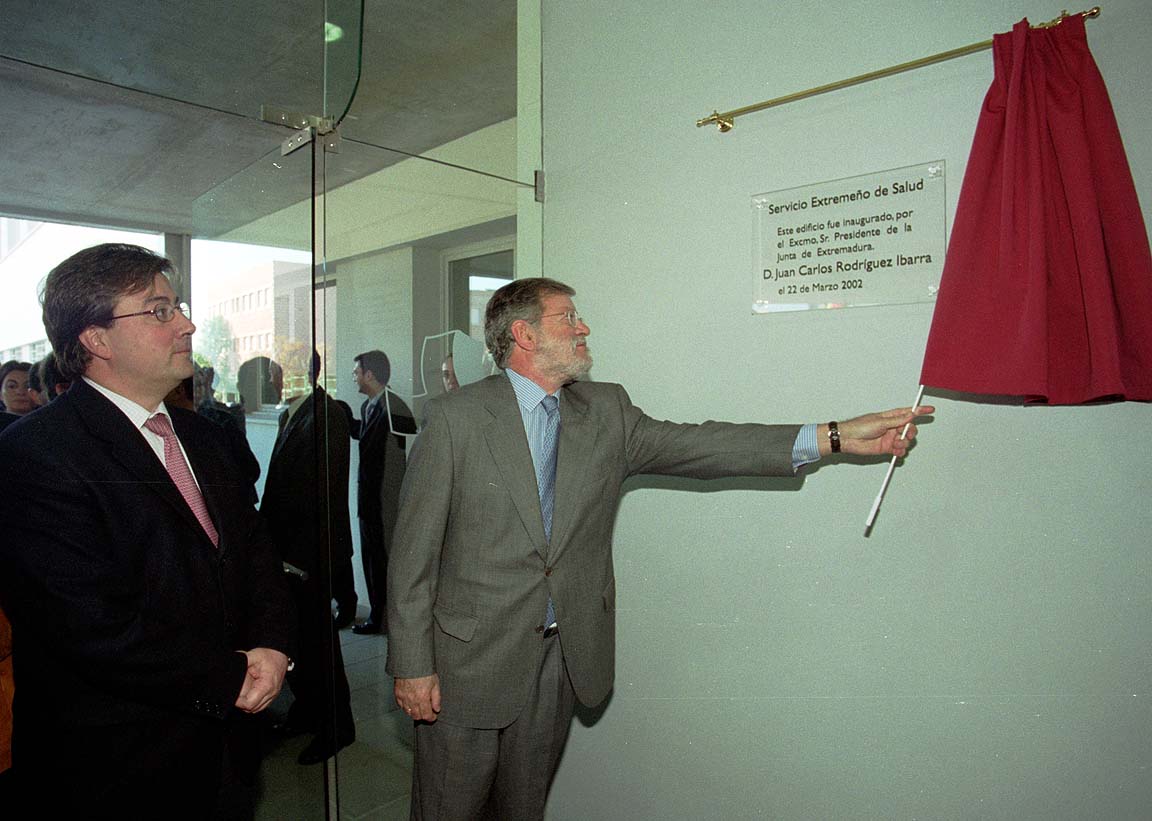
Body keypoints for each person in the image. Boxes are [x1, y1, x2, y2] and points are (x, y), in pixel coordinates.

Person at [386, 277, 933, 819]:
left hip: (559, 660)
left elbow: (704, 444)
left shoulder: (606, 412)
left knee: (523, 810)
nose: (584, 328)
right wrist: (412, 664)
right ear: (525, 334)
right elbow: (413, 555)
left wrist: (833, 436)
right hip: (466, 664)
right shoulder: (458, 418)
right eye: (568, 317)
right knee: (447, 809)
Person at [0, 243, 292, 818]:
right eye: (159, 310)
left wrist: (275, 646)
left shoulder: (201, 437)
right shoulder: (33, 454)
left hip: (224, 746)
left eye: (177, 305)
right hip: (114, 761)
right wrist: (233, 675)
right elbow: (88, 623)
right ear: (96, 339)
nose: (185, 322)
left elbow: (254, 554)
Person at [259, 352, 356, 764]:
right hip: (288, 556)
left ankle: (337, 727)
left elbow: (325, 496)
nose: (271, 379)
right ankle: (307, 712)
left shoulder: (326, 415)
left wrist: (300, 561)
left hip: (308, 558)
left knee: (319, 649)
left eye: (277, 371)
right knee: (299, 644)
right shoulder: (294, 414)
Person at [350, 350, 416, 635]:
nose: (354, 376)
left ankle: (387, 620)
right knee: (372, 561)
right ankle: (379, 617)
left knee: (385, 562)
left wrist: (389, 505)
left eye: (357, 371)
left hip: (384, 503)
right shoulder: (369, 407)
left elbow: (399, 460)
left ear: (370, 375)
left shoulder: (395, 408)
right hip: (369, 500)